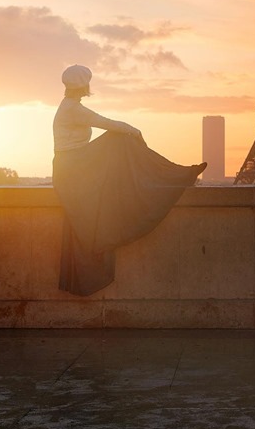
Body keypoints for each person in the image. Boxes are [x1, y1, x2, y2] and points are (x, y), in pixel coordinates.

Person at [53, 64, 206, 295]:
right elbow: (108, 123)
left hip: (73, 165)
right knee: (120, 139)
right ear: (83, 85)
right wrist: (135, 131)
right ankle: (175, 173)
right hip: (74, 167)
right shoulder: (73, 109)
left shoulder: (69, 107)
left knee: (119, 140)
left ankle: (175, 172)